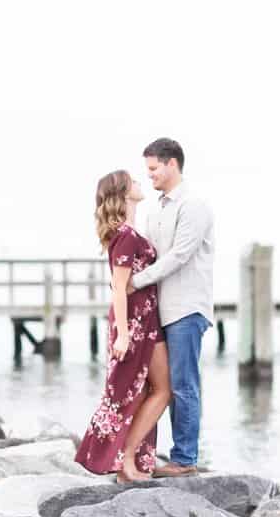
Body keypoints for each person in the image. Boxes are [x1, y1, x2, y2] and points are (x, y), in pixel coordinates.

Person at [74, 170, 172, 483]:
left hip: (148, 320)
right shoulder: (125, 236)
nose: (141, 182)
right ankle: (125, 461)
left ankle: (132, 460)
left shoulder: (132, 231)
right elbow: (119, 287)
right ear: (123, 192)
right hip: (132, 324)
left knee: (156, 390)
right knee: (129, 393)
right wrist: (124, 335)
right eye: (133, 180)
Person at [130, 138, 214, 478]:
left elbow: (180, 256)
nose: (149, 176)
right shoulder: (157, 209)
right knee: (158, 386)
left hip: (185, 308)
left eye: (153, 169)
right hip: (160, 310)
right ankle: (153, 455)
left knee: (183, 384)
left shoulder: (193, 206)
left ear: (172, 165)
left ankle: (185, 458)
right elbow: (148, 252)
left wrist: (136, 282)